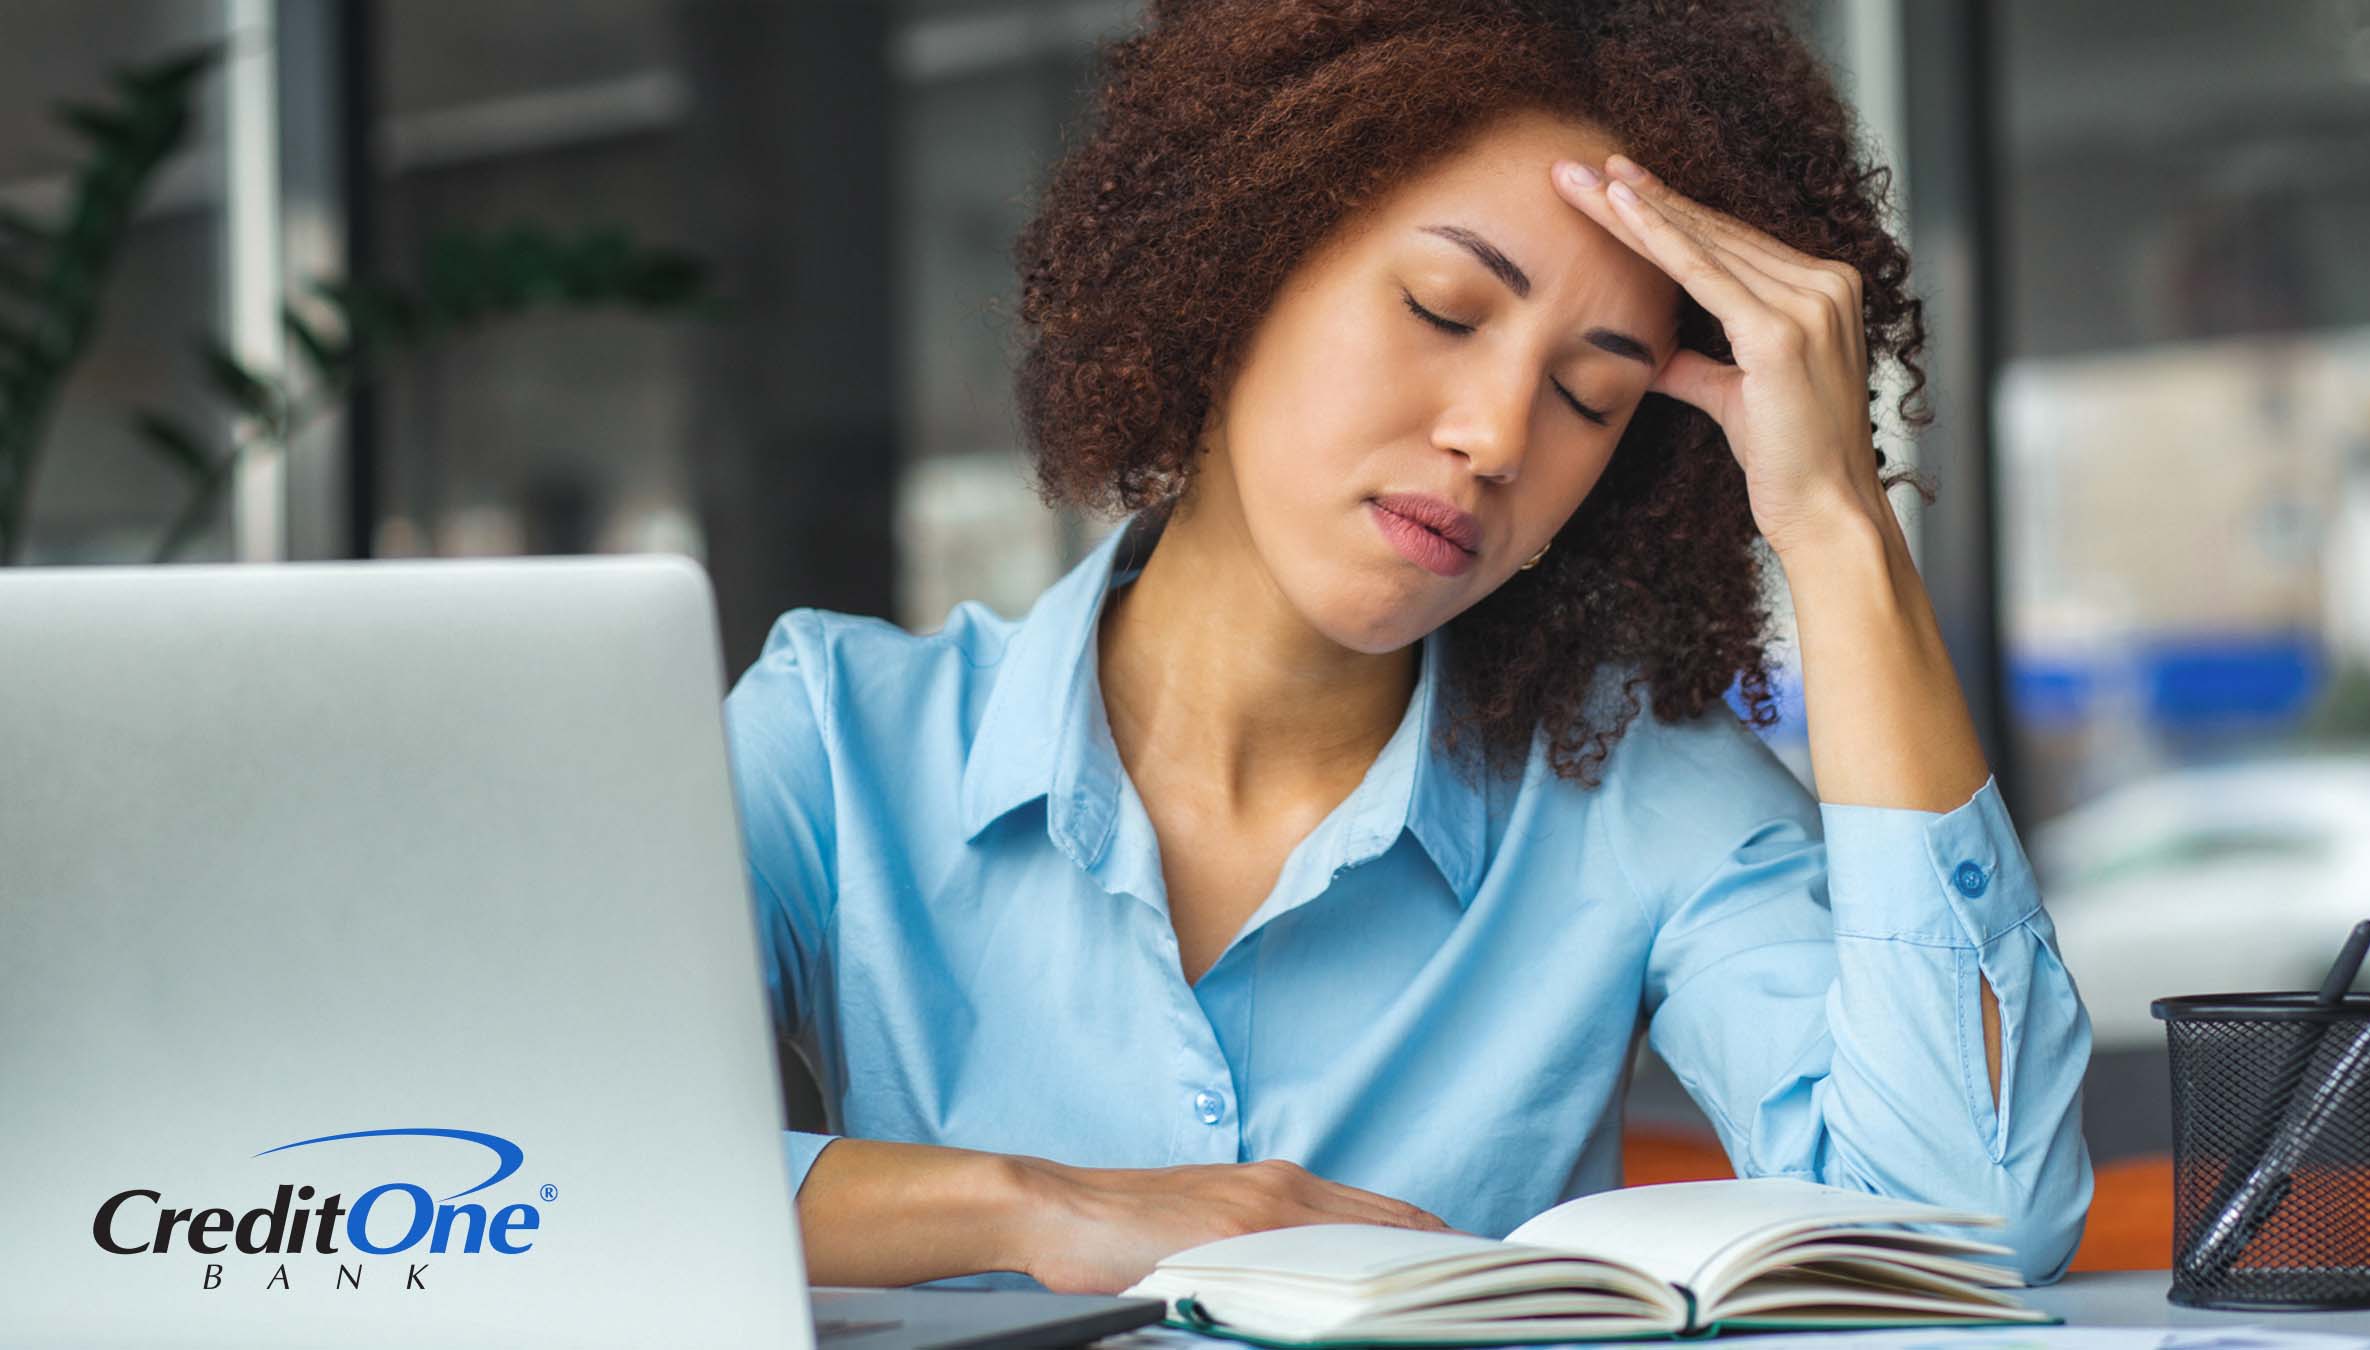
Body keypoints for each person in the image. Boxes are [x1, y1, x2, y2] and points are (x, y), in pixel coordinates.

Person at [722, 0, 2094, 1298]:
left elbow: (1968, 1220)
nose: (1496, 437)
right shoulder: (836, 744)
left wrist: (1836, 526)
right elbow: (584, 1164)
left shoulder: (1630, 789)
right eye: (1443, 308)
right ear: (1242, 264)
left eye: (1589, 394)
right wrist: (1029, 1207)